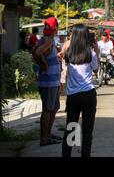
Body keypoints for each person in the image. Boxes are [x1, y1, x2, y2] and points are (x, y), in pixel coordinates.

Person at [62, 24, 98, 157]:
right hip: (88, 95)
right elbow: (96, 69)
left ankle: (66, 155)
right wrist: (96, 50)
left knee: (71, 128)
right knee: (87, 131)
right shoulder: (91, 53)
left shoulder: (68, 53)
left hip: (73, 96)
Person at [32, 17, 62, 146]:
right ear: (55, 28)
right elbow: (38, 53)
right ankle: (44, 138)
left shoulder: (45, 39)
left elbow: (34, 51)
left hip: (52, 80)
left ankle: (48, 135)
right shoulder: (48, 40)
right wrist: (44, 65)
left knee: (54, 108)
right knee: (48, 109)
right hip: (48, 81)